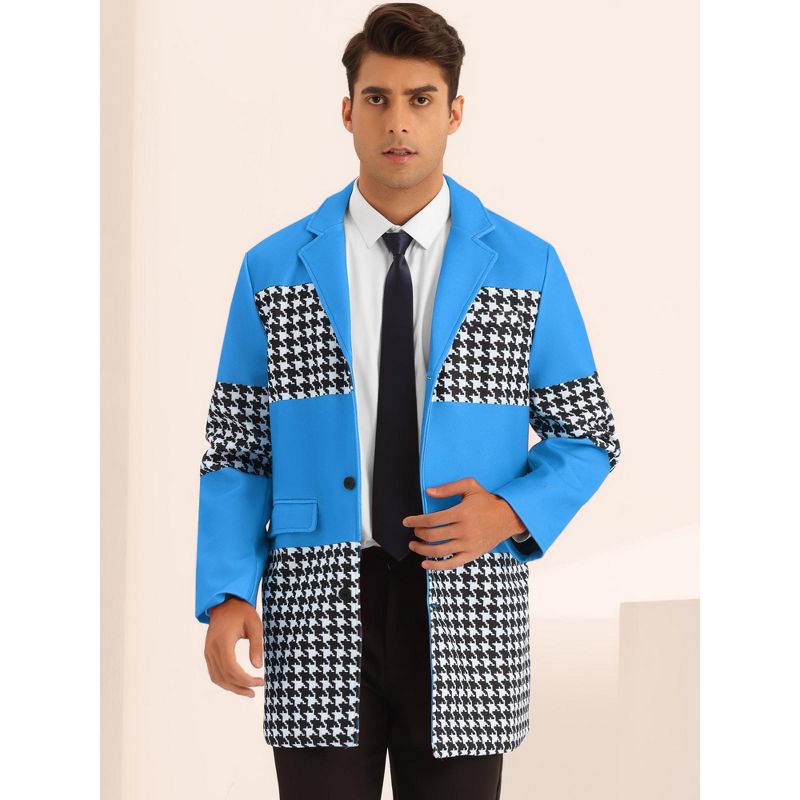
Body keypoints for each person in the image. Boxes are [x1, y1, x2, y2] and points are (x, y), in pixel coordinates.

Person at [195, 4, 621, 798]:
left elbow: (588, 434)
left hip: (467, 603)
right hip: (317, 604)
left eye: (421, 99)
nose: (398, 121)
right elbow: (238, 448)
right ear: (347, 111)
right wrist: (226, 591)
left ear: (454, 112)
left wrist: (510, 513)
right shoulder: (274, 268)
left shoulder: (524, 266)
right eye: (379, 98)